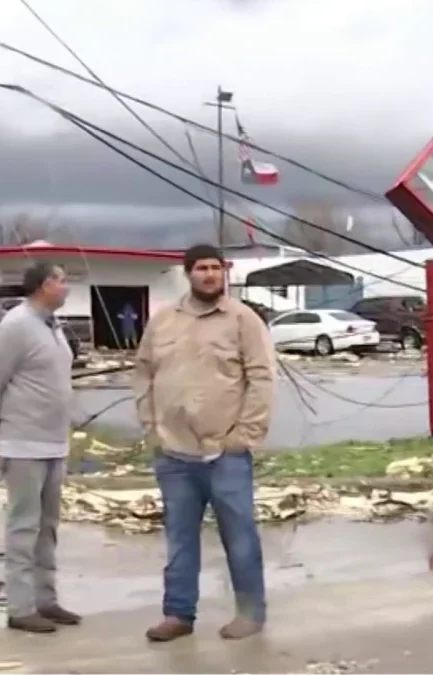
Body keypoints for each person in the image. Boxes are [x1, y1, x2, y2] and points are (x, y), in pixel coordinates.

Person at [134, 243, 275, 642]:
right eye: (201, 268)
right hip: (175, 453)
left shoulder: (243, 320)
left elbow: (262, 379)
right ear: (188, 273)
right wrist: (152, 427)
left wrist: (243, 436)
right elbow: (143, 374)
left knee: (240, 536)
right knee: (180, 539)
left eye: (216, 268)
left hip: (225, 454)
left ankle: (250, 611)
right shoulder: (163, 322)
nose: (210, 275)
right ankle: (178, 614)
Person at [0, 261, 79, 634]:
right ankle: (20, 608)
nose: (66, 287)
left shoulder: (53, 327)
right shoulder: (15, 326)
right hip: (22, 442)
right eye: (61, 280)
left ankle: (45, 600)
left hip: (55, 442)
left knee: (48, 527)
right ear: (41, 285)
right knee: (24, 526)